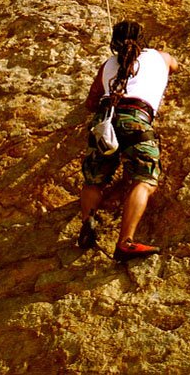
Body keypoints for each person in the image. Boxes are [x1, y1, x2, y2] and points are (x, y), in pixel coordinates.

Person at [78, 19, 178, 261]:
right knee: (145, 178)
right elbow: (175, 65)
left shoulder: (107, 65)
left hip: (104, 120)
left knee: (94, 178)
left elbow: (91, 102)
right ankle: (125, 242)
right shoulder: (159, 57)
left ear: (114, 42)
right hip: (136, 118)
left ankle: (87, 221)